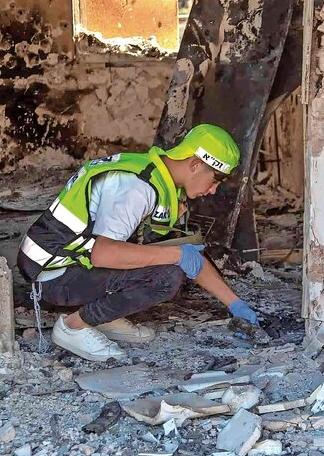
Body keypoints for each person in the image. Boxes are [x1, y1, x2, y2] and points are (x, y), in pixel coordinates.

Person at [17, 124, 260, 362]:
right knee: (167, 277)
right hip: (51, 274)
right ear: (196, 165)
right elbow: (103, 253)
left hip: (67, 260)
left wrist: (237, 305)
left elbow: (191, 257)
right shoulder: (138, 185)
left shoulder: (160, 179)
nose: (214, 190)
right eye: (216, 179)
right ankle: (73, 327)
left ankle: (103, 317)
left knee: (171, 258)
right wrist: (176, 255)